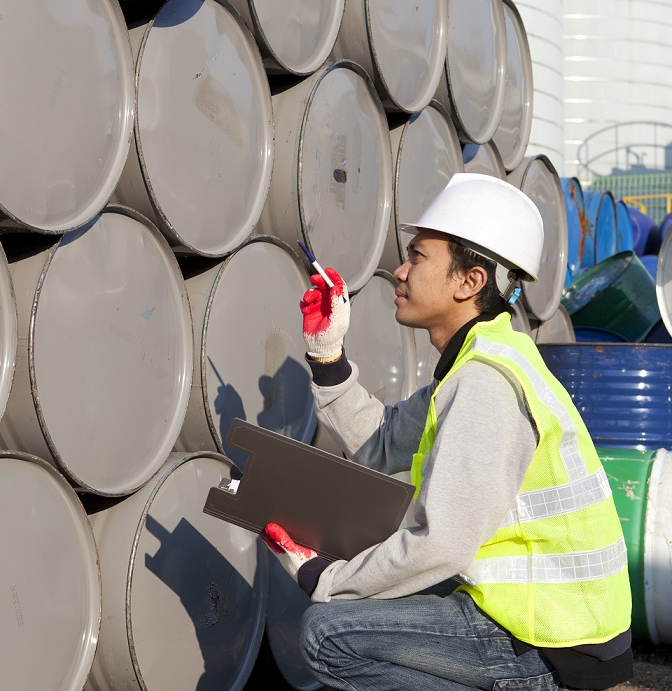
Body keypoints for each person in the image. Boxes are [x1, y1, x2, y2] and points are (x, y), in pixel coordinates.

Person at [262, 173, 633, 690]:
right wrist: (327, 355)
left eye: (418, 257)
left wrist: (329, 580)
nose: (399, 270)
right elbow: (383, 443)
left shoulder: (486, 384)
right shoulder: (480, 360)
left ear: (469, 281)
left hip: (550, 643)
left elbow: (442, 546)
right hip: (543, 623)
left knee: (328, 633)